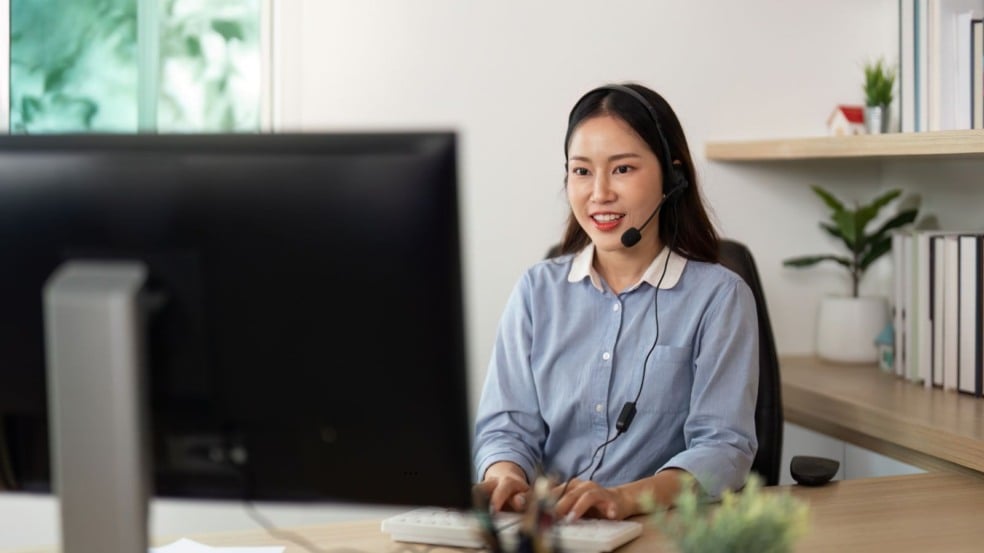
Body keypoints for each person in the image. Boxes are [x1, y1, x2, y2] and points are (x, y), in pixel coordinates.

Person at [472, 83, 759, 522]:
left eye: (622, 169)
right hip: (552, 531)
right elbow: (506, 427)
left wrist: (624, 498)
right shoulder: (536, 292)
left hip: (662, 530)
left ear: (672, 175)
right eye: (582, 171)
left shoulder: (719, 297)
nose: (599, 193)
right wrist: (504, 474)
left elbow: (724, 448)